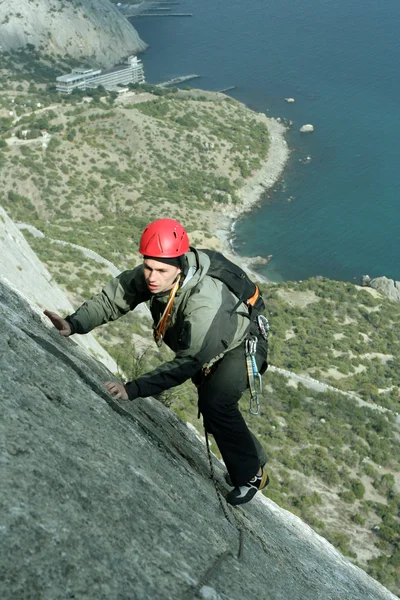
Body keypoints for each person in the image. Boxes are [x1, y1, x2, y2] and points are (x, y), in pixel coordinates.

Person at [44, 218, 269, 505]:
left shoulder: (205, 301)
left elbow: (189, 363)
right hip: (209, 340)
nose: (152, 276)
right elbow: (114, 300)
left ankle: (251, 474)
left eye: (161, 270)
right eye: (148, 267)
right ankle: (254, 457)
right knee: (216, 409)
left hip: (241, 342)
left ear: (179, 266)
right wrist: (73, 323)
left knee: (216, 402)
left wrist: (133, 388)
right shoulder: (158, 272)